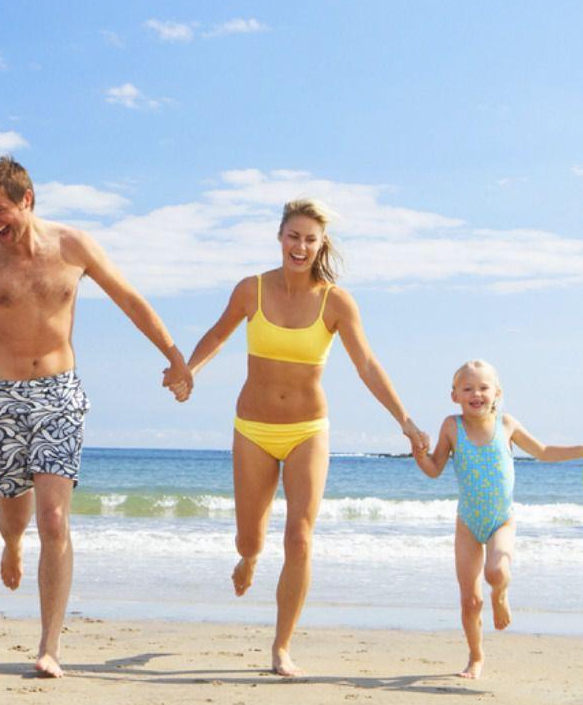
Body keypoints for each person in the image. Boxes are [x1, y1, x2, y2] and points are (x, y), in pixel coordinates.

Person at [0, 155, 193, 679]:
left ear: (27, 200)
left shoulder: (74, 246)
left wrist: (175, 356)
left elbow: (129, 299)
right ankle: (10, 543)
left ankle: (49, 645)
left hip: (60, 393)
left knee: (54, 519)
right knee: (16, 515)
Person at [179, 198, 428, 677]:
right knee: (250, 537)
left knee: (299, 537)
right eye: (293, 236)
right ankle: (249, 559)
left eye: (310, 239)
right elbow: (216, 335)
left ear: (320, 245)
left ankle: (281, 647)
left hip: (307, 431)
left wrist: (406, 421)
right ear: (279, 237)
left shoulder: (336, 301)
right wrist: (189, 371)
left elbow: (367, 365)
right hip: (252, 429)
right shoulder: (250, 290)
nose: (301, 246)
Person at [411, 359, 583, 679]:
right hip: (468, 523)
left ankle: (501, 595)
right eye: (467, 388)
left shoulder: (507, 424)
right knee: (470, 600)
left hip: (501, 520)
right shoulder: (451, 427)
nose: (476, 394)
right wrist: (419, 453)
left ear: (497, 393)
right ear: (454, 395)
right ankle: (475, 657)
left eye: (483, 387)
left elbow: (543, 451)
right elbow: (434, 470)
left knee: (497, 571)